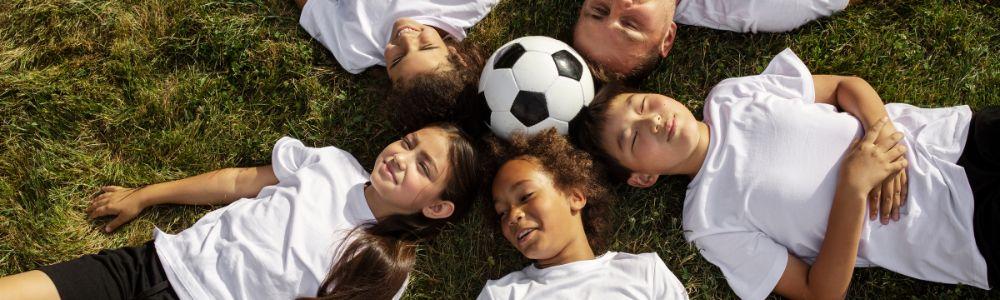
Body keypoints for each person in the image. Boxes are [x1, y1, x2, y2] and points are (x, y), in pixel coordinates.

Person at [570, 48, 998, 299]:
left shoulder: (733, 94)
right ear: (642, 177)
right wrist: (854, 187)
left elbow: (847, 86)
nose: (652, 122)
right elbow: (819, 293)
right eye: (632, 140)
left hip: (960, 135)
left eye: (643, 105)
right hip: (961, 230)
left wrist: (882, 130)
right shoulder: (709, 223)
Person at [0, 124, 481, 300]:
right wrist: (146, 194)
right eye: (408, 141)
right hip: (151, 264)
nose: (400, 155)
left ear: (436, 206)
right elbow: (235, 183)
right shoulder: (332, 164)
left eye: (423, 164)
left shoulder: (387, 266)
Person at [477, 130, 688, 299]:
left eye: (525, 196)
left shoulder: (645, 273)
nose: (512, 216)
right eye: (502, 213)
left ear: (575, 197)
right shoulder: (502, 294)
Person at [295, 0, 495, 129]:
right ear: (456, 55)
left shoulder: (355, 48)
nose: (406, 39)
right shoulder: (466, 5)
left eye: (397, 59)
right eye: (427, 47)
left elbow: (313, 6)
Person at [573, 0, 859, 82]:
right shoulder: (757, 6)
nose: (621, 2)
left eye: (599, 10)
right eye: (631, 24)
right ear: (667, 37)